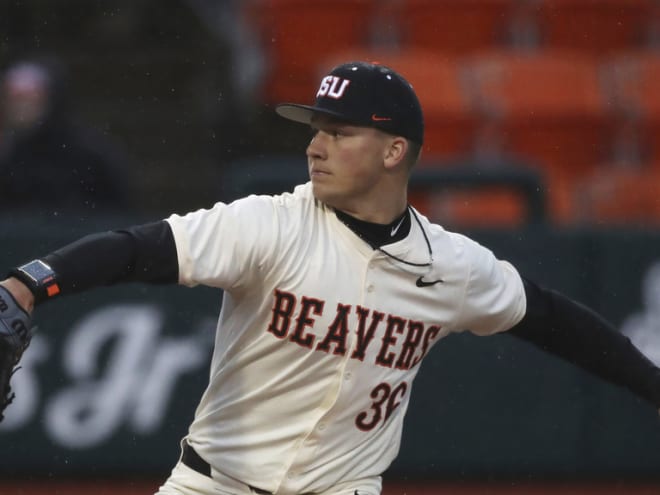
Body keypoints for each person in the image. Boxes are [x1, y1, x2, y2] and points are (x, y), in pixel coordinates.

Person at [0, 61, 659, 495]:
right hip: (215, 484)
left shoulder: (452, 265)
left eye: (340, 133)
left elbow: (551, 319)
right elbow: (134, 249)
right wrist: (29, 283)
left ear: (394, 150)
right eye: (317, 129)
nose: (316, 145)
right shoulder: (269, 224)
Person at [0, 58, 131, 218]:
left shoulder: (90, 152)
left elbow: (118, 210)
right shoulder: (8, 155)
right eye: (15, 100)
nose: (21, 108)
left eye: (29, 99)